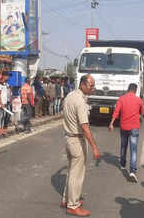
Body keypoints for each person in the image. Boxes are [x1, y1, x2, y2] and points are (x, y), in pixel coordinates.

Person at [61, 74, 100, 217]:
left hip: (69, 138)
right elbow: (84, 126)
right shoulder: (80, 102)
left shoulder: (70, 96)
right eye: (91, 86)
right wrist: (94, 146)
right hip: (77, 140)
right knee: (77, 174)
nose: (93, 89)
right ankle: (73, 205)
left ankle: (67, 199)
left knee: (72, 170)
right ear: (83, 84)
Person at [108, 83, 144, 182]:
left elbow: (116, 112)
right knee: (133, 150)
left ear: (128, 89)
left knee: (123, 145)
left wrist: (111, 123)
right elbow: (142, 112)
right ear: (135, 90)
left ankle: (123, 164)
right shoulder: (139, 100)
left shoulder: (121, 99)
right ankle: (132, 171)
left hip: (123, 126)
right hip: (134, 127)